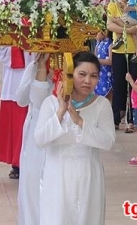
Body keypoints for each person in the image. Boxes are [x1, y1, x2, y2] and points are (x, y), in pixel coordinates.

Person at [34, 51, 116, 225]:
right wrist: (61, 110)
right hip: (57, 177)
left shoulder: (102, 105)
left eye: (93, 76)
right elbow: (40, 139)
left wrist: (79, 121)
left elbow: (108, 141)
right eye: (82, 74)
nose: (87, 81)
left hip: (89, 177)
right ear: (69, 75)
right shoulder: (51, 103)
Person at [15, 53, 54, 225]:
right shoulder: (34, 66)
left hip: (57, 129)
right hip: (34, 130)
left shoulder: (70, 67)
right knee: (31, 183)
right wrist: (37, 70)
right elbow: (22, 100)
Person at [106, 0, 137, 131]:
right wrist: (128, 30)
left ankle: (131, 120)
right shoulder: (113, 5)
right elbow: (110, 25)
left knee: (133, 84)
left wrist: (126, 27)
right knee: (118, 84)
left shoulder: (136, 5)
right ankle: (115, 118)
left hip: (135, 50)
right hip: (118, 50)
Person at [0, 47, 33, 179]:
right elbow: (2, 52)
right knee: (15, 125)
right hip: (12, 81)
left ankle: (27, 162)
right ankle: (16, 163)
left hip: (33, 76)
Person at [94, 29, 113, 101]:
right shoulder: (99, 43)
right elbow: (95, 56)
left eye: (97, 33)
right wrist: (97, 42)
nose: (96, 35)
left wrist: (97, 61)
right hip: (100, 73)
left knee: (108, 95)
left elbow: (110, 61)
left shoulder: (110, 44)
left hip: (107, 74)